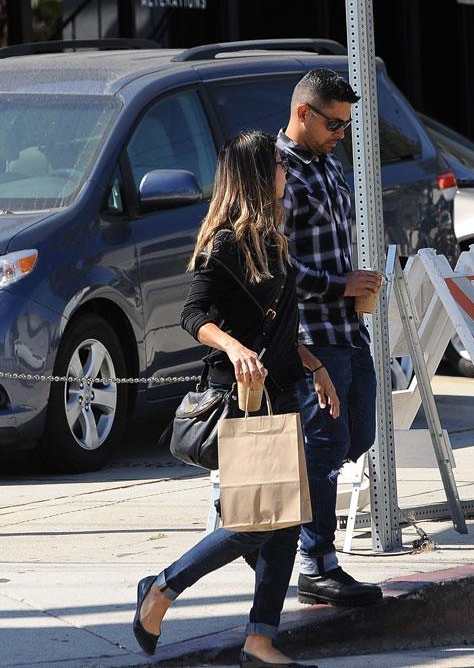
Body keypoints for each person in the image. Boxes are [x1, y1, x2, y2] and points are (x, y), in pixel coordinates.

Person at [133, 131, 338, 668]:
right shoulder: (223, 243)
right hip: (244, 397)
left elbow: (280, 324)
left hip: (285, 389)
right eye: (275, 163)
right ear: (253, 174)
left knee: (285, 521)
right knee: (252, 522)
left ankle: (259, 639)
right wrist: (234, 346)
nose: (284, 170)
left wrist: (314, 367)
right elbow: (193, 316)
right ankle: (161, 588)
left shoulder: (274, 237)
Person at [277, 69, 384, 608]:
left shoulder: (328, 164)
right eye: (334, 123)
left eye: (347, 124)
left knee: (355, 436)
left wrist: (357, 284)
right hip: (309, 333)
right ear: (303, 114)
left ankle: (287, 533)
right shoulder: (279, 175)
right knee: (323, 447)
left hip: (347, 327)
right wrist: (339, 284)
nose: (342, 133)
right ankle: (316, 563)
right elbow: (273, 268)